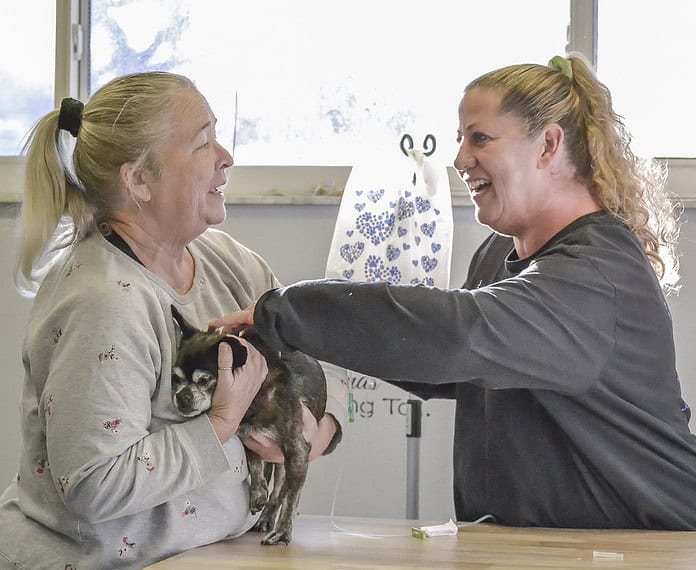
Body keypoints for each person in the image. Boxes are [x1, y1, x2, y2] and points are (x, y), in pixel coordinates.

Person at [211, 54, 696, 530]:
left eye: (480, 138)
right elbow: (447, 365)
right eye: (460, 139)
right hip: (536, 543)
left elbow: (458, 336)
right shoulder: (497, 254)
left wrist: (286, 312)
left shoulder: (597, 275)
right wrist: (308, 344)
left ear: (548, 145)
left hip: (648, 542)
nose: (461, 159)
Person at [0, 71, 347, 569]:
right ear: (139, 179)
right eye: (203, 142)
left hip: (216, 554)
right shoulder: (103, 302)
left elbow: (314, 362)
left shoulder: (230, 262)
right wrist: (222, 423)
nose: (226, 156)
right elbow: (94, 485)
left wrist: (322, 426)